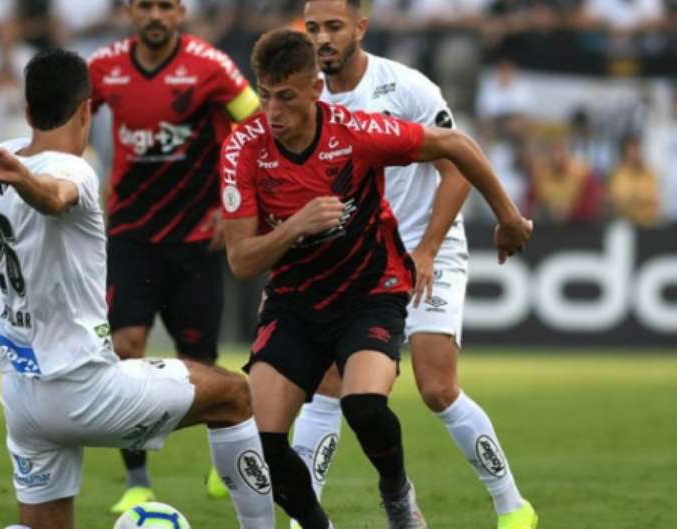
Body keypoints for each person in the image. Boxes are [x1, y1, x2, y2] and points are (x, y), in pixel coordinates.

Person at [0, 48, 274, 529]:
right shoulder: (74, 169)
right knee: (233, 394)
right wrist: (26, 180)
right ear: (88, 109)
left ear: (28, 113)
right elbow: (54, 197)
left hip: (22, 395)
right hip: (82, 387)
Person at [220, 29, 533, 529]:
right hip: (295, 303)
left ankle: (397, 493)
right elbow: (240, 261)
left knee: (364, 405)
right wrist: (298, 225)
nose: (272, 111)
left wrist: (508, 216)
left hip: (370, 293)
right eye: (265, 95)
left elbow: (455, 145)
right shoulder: (243, 149)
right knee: (263, 442)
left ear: (315, 91)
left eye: (286, 97)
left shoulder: (356, 131)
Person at [87, 0, 261, 511]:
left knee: (199, 362)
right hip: (132, 234)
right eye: (146, 6)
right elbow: (70, 121)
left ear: (181, 11)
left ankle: (221, 459)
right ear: (129, 12)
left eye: (165, 6)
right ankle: (137, 480)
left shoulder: (211, 66)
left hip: (196, 237)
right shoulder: (104, 67)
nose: (156, 16)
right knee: (124, 349)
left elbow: (255, 128)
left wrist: (232, 208)